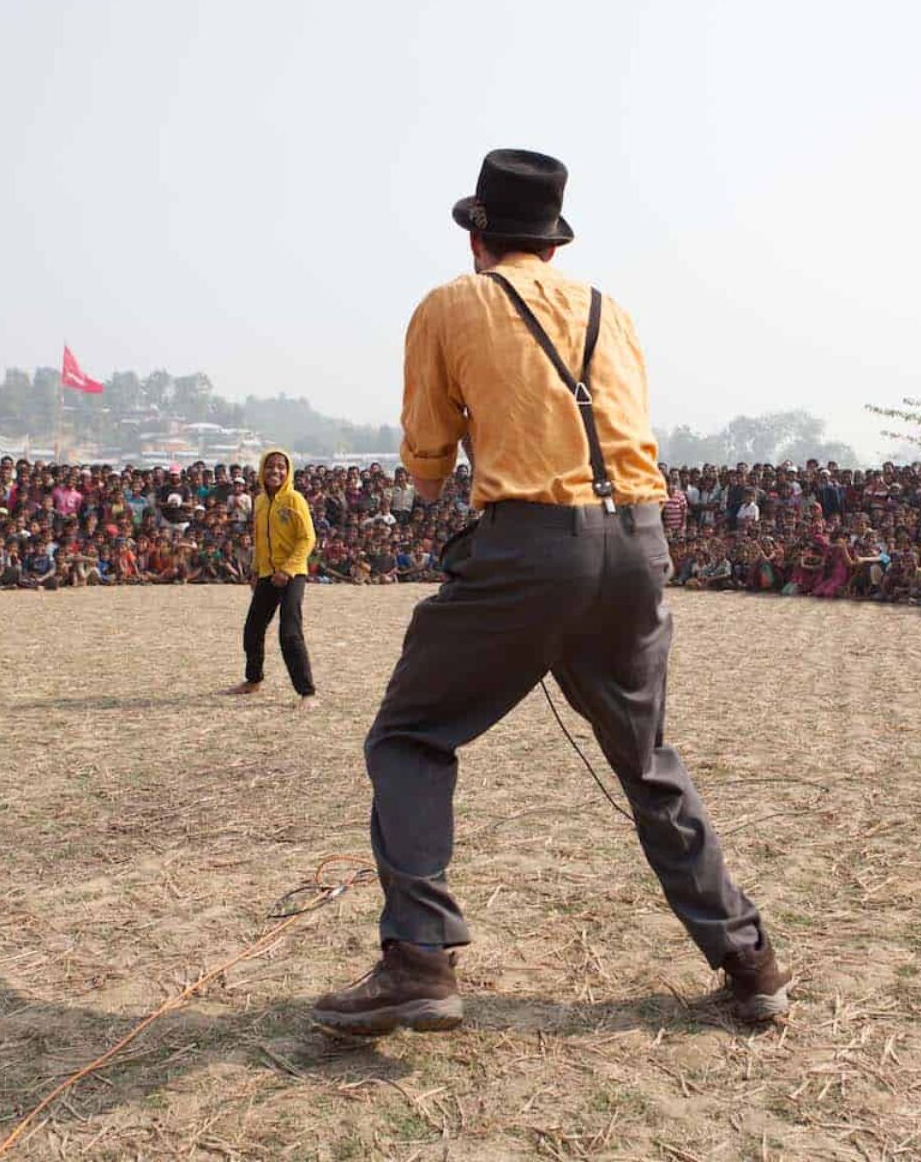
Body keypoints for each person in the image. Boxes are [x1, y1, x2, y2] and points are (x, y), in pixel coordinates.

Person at [312, 149, 786, 1037]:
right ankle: (750, 962)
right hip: (640, 544)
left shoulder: (452, 305)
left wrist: (445, 464)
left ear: (477, 236)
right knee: (647, 764)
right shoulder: (612, 310)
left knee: (412, 735)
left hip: (530, 545)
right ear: (554, 242)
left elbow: (424, 464)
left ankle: (418, 958)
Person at [223, 449, 318, 709]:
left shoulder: (294, 499)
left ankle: (307, 692)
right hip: (267, 573)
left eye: (281, 467)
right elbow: (259, 539)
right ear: (261, 469)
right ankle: (253, 680)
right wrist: (256, 570)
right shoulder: (260, 501)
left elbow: (308, 538)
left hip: (292, 573)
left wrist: (287, 570)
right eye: (270, 466)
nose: (275, 471)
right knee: (252, 629)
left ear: (289, 472)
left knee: (289, 633)